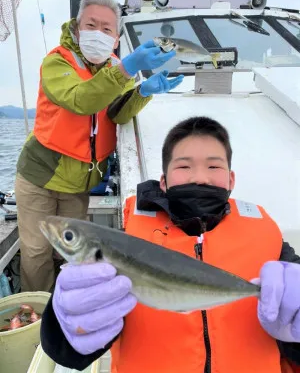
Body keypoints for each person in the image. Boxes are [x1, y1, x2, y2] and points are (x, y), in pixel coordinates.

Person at [40, 116, 300, 372]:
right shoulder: (126, 242)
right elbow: (69, 354)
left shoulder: (272, 247)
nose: (200, 178)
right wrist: (63, 325)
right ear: (163, 181)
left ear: (231, 180)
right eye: (184, 167)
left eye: (214, 167)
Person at [14, 0, 184, 293]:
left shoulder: (113, 70)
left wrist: (144, 92)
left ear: (116, 40)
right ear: (77, 29)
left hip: (77, 185)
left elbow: (116, 114)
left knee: (74, 253)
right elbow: (80, 100)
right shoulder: (58, 63)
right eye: (91, 25)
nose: (98, 33)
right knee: (37, 251)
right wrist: (127, 67)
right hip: (39, 177)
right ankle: (38, 314)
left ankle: (69, 304)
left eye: (107, 29)